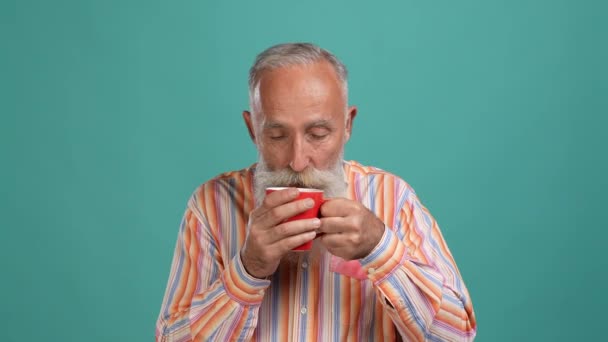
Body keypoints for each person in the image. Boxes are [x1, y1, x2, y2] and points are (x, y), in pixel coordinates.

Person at [156, 43, 477, 341]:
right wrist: (247, 269)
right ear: (253, 129)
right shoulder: (212, 206)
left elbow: (458, 336)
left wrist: (380, 248)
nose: (298, 161)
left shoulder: (394, 199)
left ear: (348, 125)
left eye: (318, 134)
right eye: (278, 136)